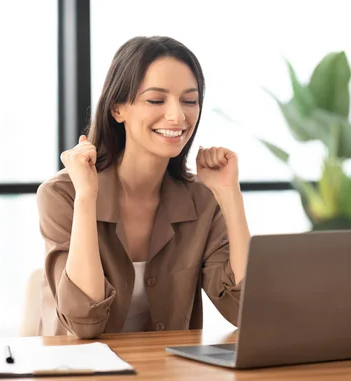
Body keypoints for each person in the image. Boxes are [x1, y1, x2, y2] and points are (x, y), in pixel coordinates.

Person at [36, 36, 251, 339]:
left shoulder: (202, 199)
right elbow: (83, 321)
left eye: (189, 100)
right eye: (156, 100)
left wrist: (230, 196)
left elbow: (244, 309)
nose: (178, 116)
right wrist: (86, 197)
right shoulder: (62, 194)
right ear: (117, 109)